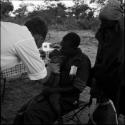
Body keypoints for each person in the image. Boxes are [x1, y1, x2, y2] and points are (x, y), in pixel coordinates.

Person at [14, 32, 91, 124]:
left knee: (32, 114)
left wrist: (54, 90)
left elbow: (77, 88)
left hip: (67, 99)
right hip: (51, 92)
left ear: (73, 48)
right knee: (21, 112)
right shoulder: (65, 55)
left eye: (64, 48)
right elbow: (53, 69)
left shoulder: (82, 62)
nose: (62, 49)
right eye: (61, 46)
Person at [91, 0, 124, 116]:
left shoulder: (120, 33)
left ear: (115, 20)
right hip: (105, 71)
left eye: (105, 21)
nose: (102, 24)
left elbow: (116, 59)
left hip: (117, 75)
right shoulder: (105, 29)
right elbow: (102, 52)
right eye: (102, 21)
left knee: (115, 103)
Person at [1, 16, 58, 83]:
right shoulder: (27, 39)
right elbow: (42, 78)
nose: (37, 48)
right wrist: (51, 68)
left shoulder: (11, 28)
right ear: (40, 39)